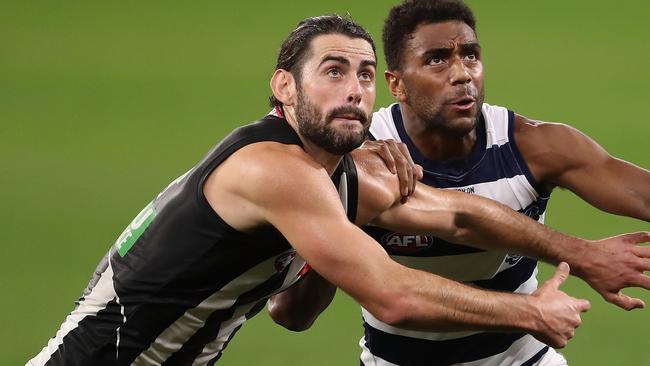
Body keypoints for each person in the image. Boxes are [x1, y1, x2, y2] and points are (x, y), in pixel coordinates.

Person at [27, 14, 644, 366]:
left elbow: (456, 217)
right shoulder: (274, 170)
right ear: (283, 88)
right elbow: (391, 294)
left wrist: (584, 255)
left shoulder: (332, 169)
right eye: (332, 71)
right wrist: (530, 312)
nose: (353, 89)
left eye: (364, 74)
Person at [354, 1, 650, 365]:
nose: (462, 74)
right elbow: (294, 313)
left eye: (471, 55)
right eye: (437, 59)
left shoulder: (534, 147)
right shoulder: (360, 158)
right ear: (396, 84)